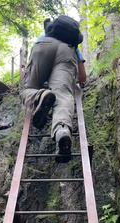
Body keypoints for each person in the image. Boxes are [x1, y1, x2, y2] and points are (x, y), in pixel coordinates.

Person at [20, 16, 87, 161]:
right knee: (63, 95)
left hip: (42, 47)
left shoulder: (43, 36)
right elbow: (82, 77)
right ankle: (62, 130)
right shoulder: (72, 44)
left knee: (28, 89)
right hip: (66, 52)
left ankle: (40, 96)